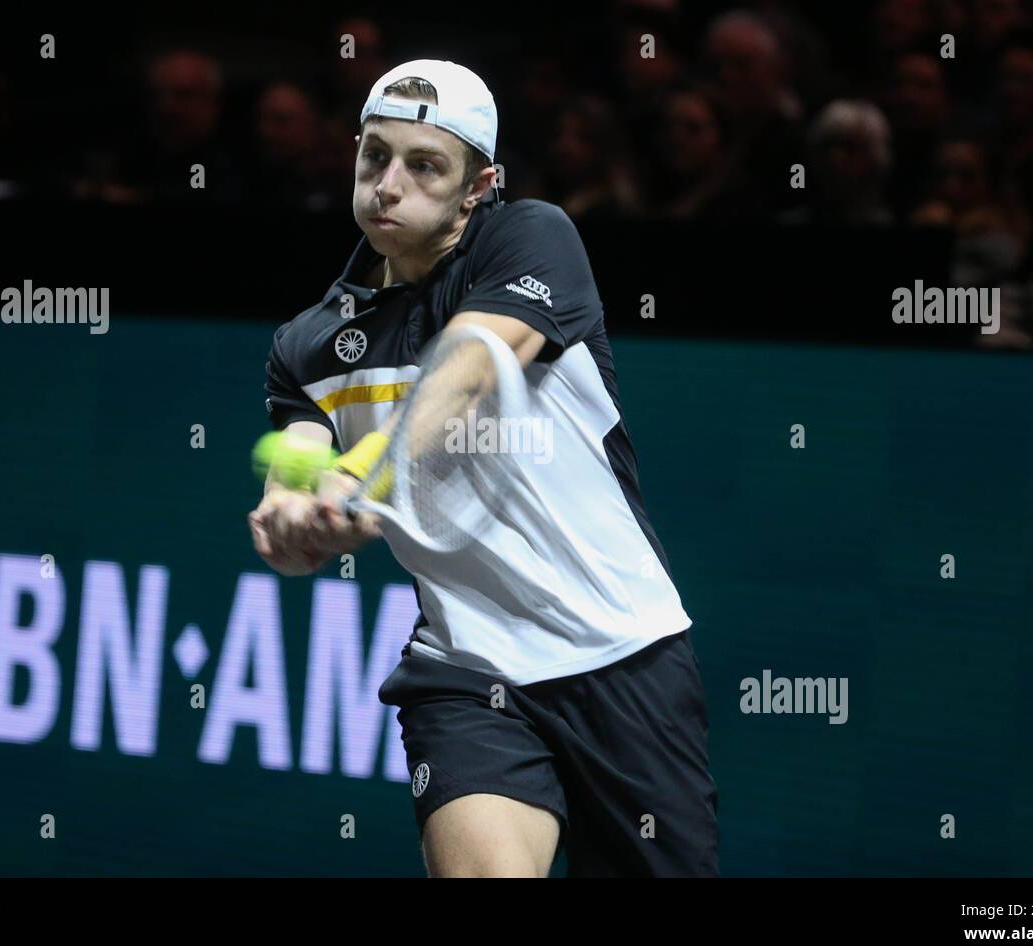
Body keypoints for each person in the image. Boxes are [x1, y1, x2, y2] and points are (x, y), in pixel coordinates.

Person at [247, 59, 719, 877]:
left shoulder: (530, 239)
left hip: (625, 654)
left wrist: (366, 476)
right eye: (374, 156)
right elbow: (298, 484)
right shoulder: (305, 346)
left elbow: (467, 368)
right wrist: (292, 527)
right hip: (466, 668)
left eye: (425, 165)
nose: (388, 186)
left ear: (479, 185)